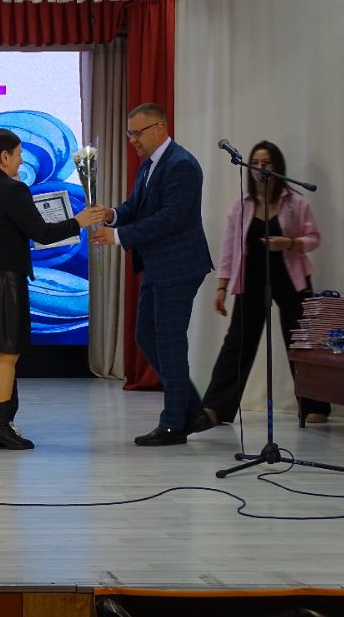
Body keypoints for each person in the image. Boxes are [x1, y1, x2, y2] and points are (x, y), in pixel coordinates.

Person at [0, 129, 102, 450]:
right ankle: (0, 427)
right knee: (6, 352)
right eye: (18, 154)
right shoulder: (13, 188)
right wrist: (79, 221)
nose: (21, 160)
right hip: (2, 275)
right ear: (4, 156)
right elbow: (42, 233)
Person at [92, 103, 213, 446]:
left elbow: (170, 219)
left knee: (170, 343)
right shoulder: (150, 164)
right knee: (147, 336)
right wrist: (113, 214)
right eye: (129, 133)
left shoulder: (181, 165)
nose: (132, 139)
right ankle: (192, 409)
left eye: (137, 133)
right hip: (158, 266)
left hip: (178, 266)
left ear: (160, 128)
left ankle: (174, 424)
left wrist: (118, 236)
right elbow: (137, 206)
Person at [196, 141, 330, 427]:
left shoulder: (296, 203)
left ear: (277, 166)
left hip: (291, 279)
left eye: (266, 162)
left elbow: (313, 238)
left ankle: (314, 406)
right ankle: (217, 407)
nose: (260, 167)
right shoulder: (241, 206)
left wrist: (289, 243)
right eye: (255, 162)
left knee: (301, 342)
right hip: (252, 279)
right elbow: (229, 250)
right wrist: (221, 287)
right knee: (238, 342)